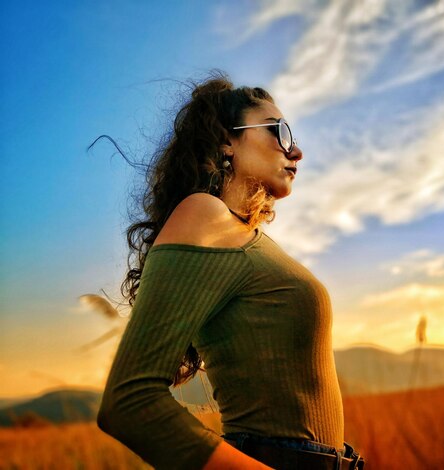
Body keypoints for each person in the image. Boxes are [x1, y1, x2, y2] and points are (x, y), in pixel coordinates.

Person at [96, 71, 365, 470]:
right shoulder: (203, 213)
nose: (297, 152)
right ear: (227, 139)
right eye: (280, 131)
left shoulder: (246, 236)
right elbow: (128, 402)